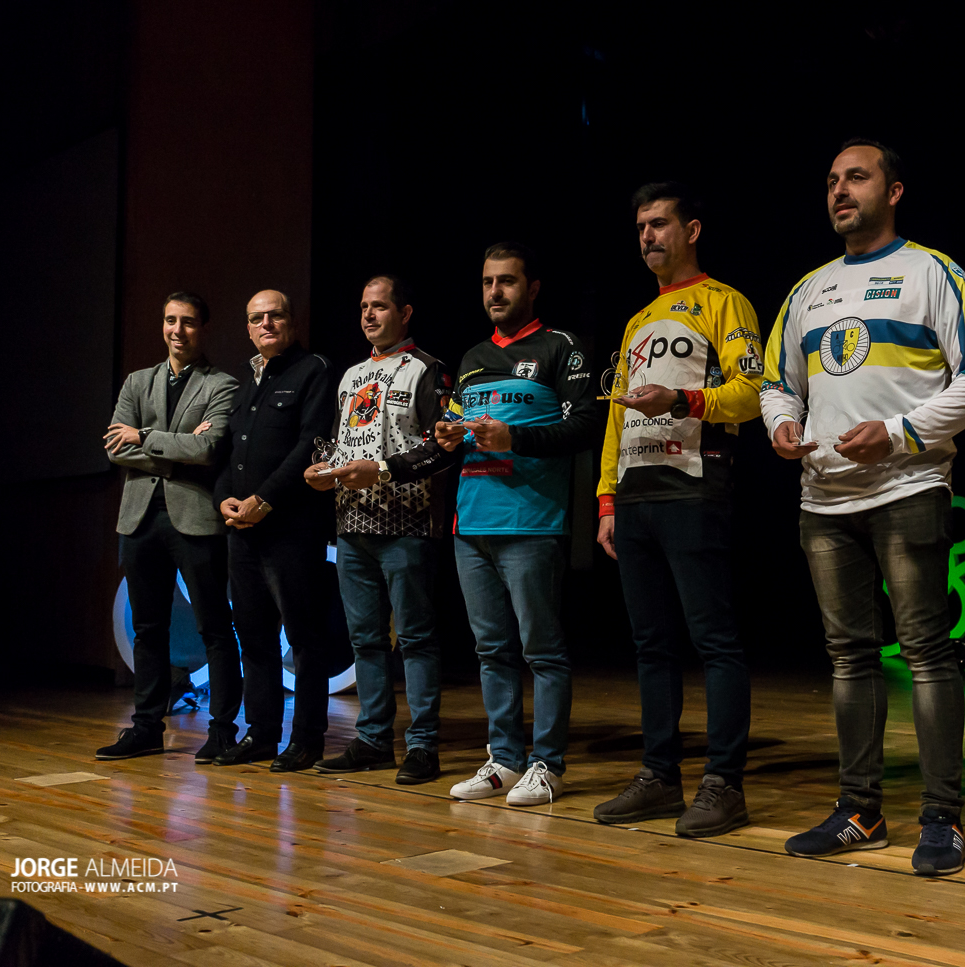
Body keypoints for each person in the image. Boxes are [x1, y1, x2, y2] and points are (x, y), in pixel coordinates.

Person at [760, 139, 965, 875]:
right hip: (823, 498)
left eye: (857, 177)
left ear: (894, 190)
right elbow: (776, 383)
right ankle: (860, 811)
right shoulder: (808, 289)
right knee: (848, 655)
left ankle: (942, 818)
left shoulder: (933, 273)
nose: (840, 190)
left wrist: (896, 433)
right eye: (832, 180)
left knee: (925, 652)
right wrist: (782, 423)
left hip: (908, 487)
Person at [592, 182, 763, 838]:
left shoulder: (724, 302)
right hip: (635, 497)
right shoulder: (637, 320)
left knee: (714, 639)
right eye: (641, 226)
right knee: (650, 644)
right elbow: (616, 416)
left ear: (691, 230)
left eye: (660, 223)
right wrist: (607, 498)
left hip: (694, 488)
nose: (648, 236)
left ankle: (724, 783)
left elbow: (753, 391)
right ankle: (660, 775)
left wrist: (687, 401)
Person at [433, 242, 598, 805]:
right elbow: (456, 425)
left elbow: (586, 426)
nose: (495, 291)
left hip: (532, 524)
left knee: (542, 651)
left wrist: (515, 437)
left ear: (532, 288)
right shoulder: (472, 356)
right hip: (471, 526)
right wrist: (447, 434)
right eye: (487, 282)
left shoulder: (561, 347)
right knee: (491, 651)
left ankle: (547, 765)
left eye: (506, 281)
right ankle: (504, 760)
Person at [304, 275, 457, 783]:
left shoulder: (428, 369)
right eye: (364, 307)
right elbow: (339, 443)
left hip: (407, 523)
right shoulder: (350, 376)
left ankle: (423, 746)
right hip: (351, 525)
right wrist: (322, 469)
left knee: (414, 638)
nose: (369, 316)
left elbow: (443, 448)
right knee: (365, 640)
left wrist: (385, 471)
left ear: (405, 313)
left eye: (380, 307)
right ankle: (372, 740)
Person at [97, 292, 242, 762]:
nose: (177, 330)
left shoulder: (222, 385)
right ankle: (145, 728)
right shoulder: (137, 382)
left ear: (204, 328)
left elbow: (210, 449)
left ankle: (222, 730)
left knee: (214, 627)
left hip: (196, 520)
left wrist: (144, 437)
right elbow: (115, 449)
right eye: (170, 320)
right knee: (147, 629)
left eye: (188, 322)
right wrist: (180, 447)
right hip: (139, 518)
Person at [212, 290, 337, 771]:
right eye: (256, 318)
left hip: (291, 530)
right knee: (254, 636)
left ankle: (306, 739)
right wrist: (224, 497)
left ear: (292, 321)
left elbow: (311, 445)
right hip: (243, 530)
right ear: (247, 328)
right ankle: (262, 734)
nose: (266, 323)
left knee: (305, 639)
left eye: (275, 315)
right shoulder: (249, 381)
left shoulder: (314, 370)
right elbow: (231, 453)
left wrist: (264, 500)